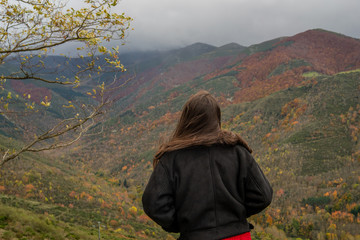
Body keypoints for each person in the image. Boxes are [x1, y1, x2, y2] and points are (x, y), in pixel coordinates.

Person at [142, 90, 273, 240]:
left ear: (186, 119)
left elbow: (153, 203)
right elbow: (263, 195)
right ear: (217, 118)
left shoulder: (171, 158)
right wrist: (236, 216)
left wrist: (183, 224)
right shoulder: (238, 152)